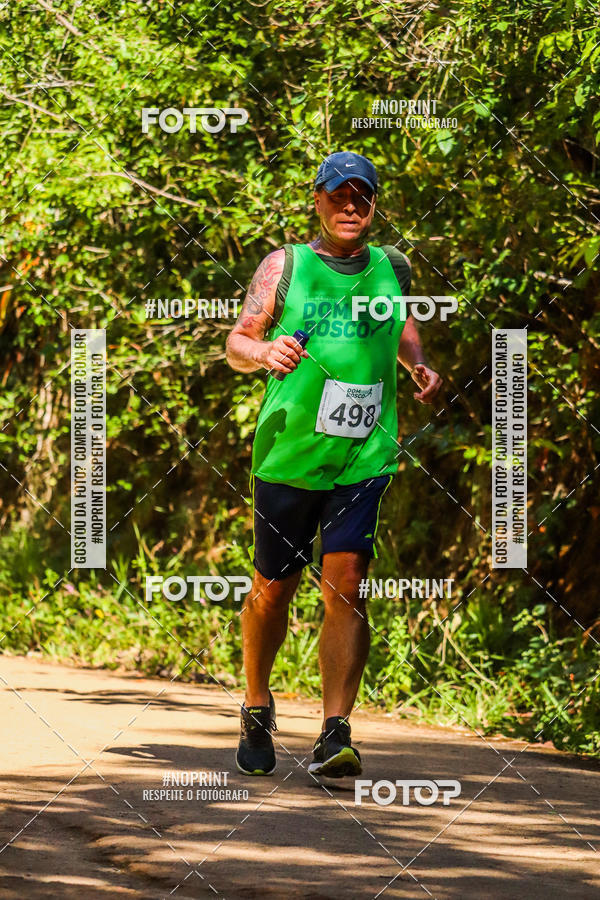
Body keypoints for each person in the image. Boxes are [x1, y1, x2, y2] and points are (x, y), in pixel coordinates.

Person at [225, 150, 442, 777]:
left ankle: (334, 732)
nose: (351, 206)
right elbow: (238, 341)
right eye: (338, 195)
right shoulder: (284, 265)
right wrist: (262, 351)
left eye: (362, 197)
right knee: (274, 589)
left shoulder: (392, 266)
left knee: (345, 586)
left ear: (374, 204)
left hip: (364, 452)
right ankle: (257, 703)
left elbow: (397, 326)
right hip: (290, 453)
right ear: (317, 200)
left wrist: (416, 362)